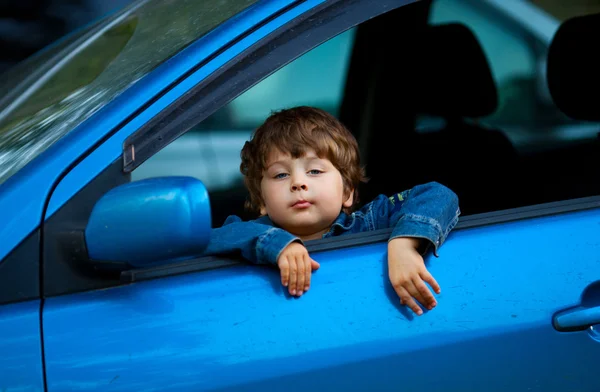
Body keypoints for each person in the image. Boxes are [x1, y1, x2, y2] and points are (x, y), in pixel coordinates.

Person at [203, 106, 460, 315]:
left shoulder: (368, 223)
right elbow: (212, 239)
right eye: (280, 174)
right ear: (262, 201)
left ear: (347, 192)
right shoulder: (252, 232)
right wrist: (278, 244)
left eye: (314, 170)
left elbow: (437, 195)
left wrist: (405, 244)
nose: (298, 182)